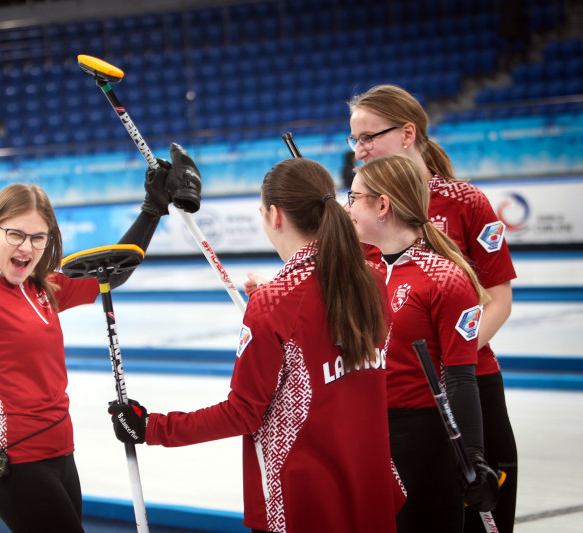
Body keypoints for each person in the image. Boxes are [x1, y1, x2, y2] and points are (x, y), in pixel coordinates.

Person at [0, 143, 201, 533]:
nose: (27, 247)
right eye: (16, 234)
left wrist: (153, 208)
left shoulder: (42, 287)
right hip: (13, 460)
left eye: (38, 238)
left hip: (61, 453)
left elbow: (112, 271)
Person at [108, 157, 406, 533]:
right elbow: (322, 324)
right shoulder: (372, 278)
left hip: (303, 503)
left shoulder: (277, 303)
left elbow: (243, 413)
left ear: (275, 216)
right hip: (369, 492)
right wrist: (273, 295)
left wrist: (152, 428)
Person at [347, 84, 518, 533]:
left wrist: (449, 361)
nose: (359, 150)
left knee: (484, 516)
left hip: (470, 382)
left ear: (408, 133)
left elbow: (499, 300)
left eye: (368, 137)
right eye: (355, 140)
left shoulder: (465, 201)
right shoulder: (364, 208)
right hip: (406, 402)